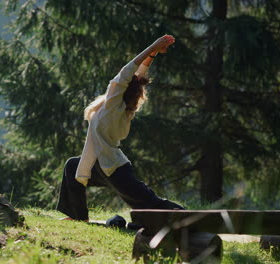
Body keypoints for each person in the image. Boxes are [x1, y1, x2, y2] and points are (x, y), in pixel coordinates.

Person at [57, 35, 184, 221]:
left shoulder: (114, 107)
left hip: (115, 168)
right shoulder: (120, 106)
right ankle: (78, 217)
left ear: (120, 90)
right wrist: (153, 54)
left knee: (148, 202)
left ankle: (188, 217)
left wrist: (152, 46)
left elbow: (127, 72)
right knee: (72, 166)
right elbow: (137, 76)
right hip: (98, 163)